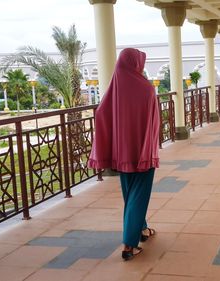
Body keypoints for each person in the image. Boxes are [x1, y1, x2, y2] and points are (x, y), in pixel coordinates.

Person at [88, 48, 160, 261]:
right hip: (142, 152)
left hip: (121, 153)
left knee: (130, 194)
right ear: (136, 64)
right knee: (139, 195)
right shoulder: (146, 89)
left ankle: (142, 229)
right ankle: (129, 245)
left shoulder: (114, 88)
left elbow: (101, 112)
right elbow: (153, 122)